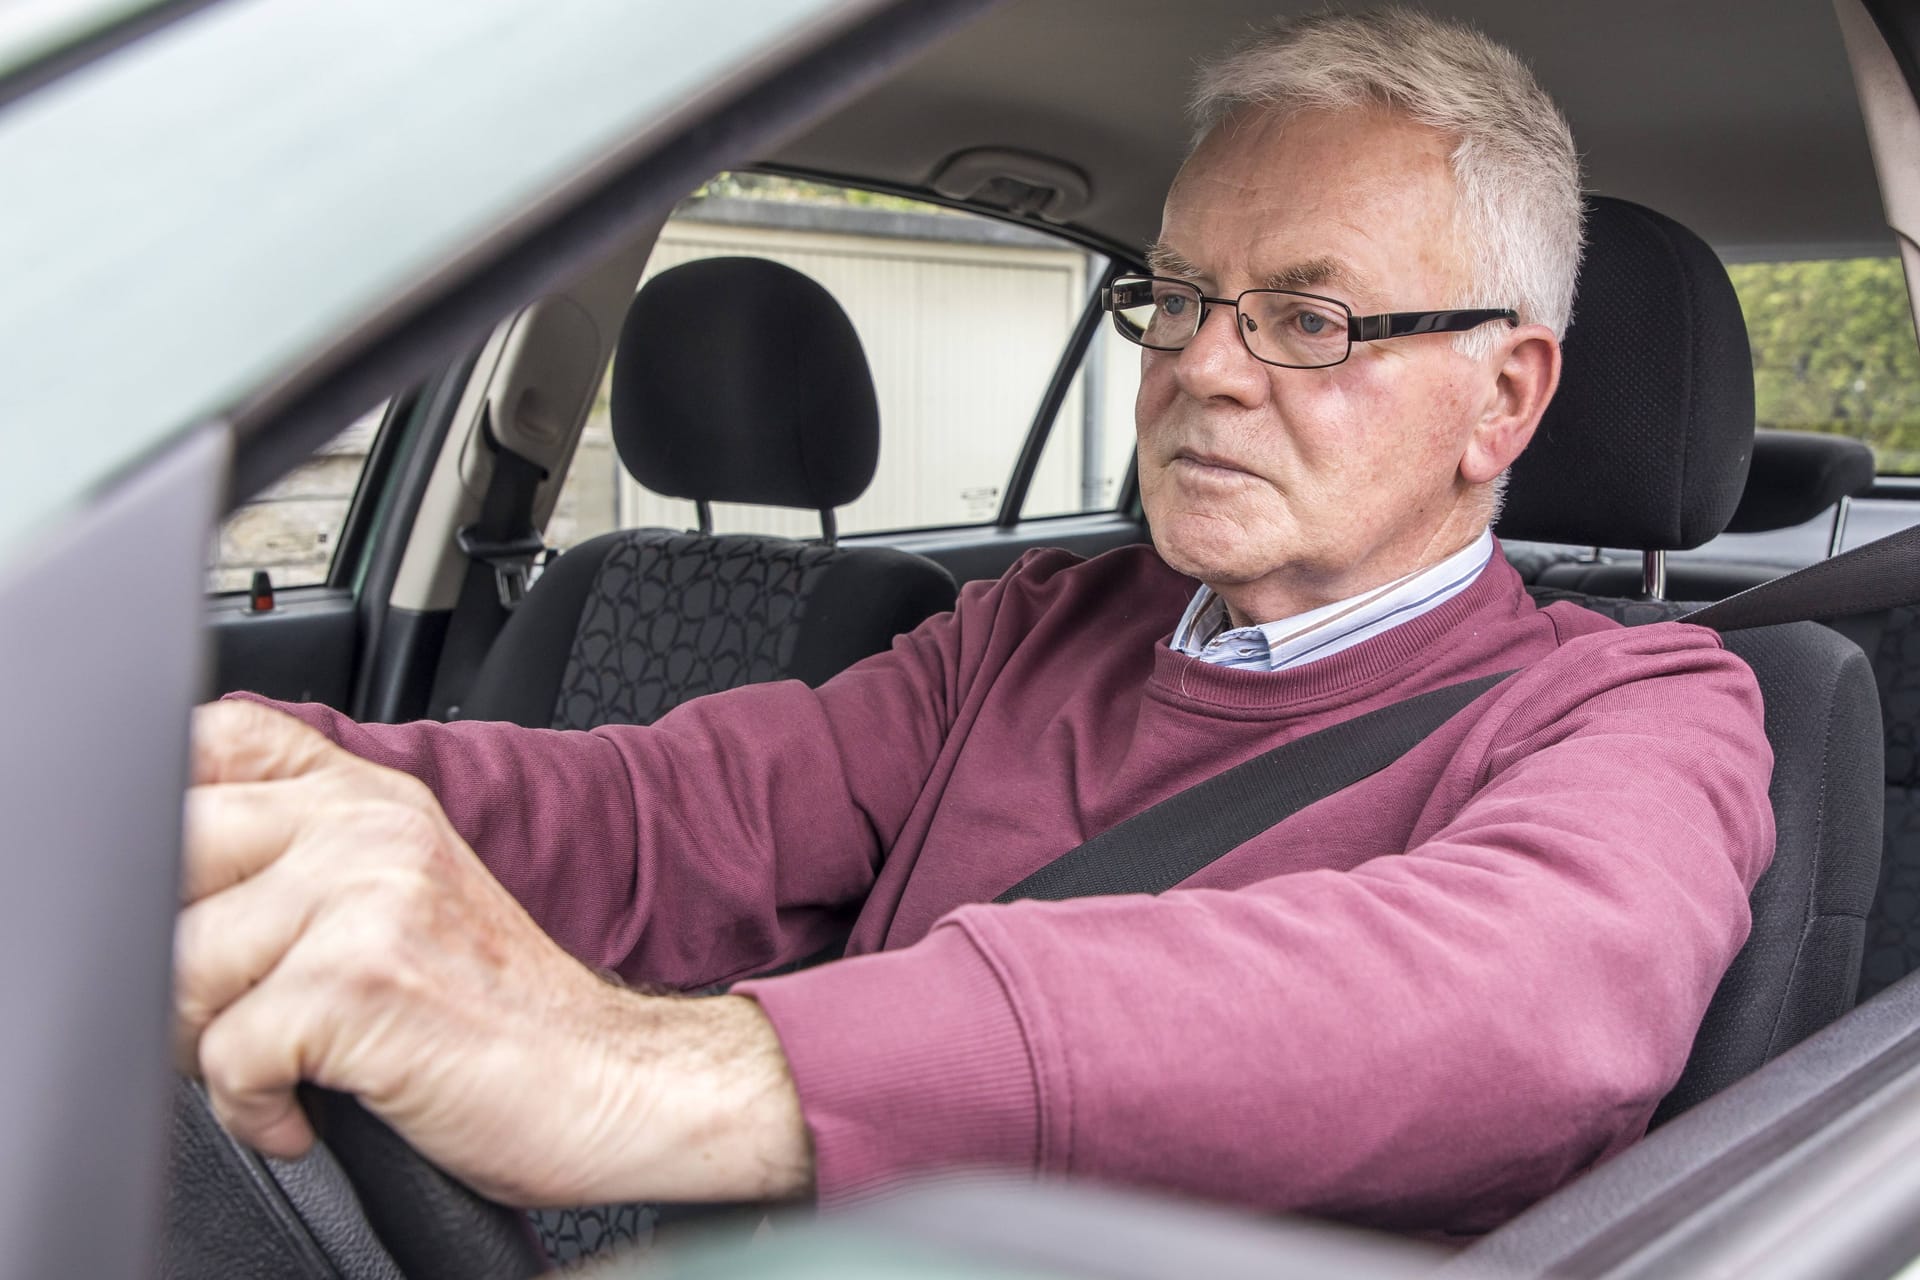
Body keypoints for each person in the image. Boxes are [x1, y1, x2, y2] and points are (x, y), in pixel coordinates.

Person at [174, 9, 1773, 1233]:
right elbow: (673, 810)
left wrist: (640, 1073)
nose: (1202, 368)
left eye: (1309, 317)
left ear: (1504, 395)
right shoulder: (1032, 632)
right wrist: (239, 790)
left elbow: (1519, 1007)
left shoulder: (1643, 709)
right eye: (1179, 297)